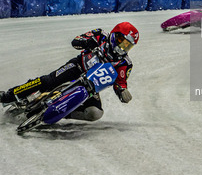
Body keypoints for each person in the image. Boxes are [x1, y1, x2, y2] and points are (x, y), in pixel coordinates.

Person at [0, 22, 139, 121]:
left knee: (94, 113)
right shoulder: (100, 34)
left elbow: (120, 82)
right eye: (121, 41)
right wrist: (86, 43)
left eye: (127, 45)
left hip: (91, 86)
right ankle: (9, 95)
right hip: (77, 67)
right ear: (114, 34)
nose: (122, 47)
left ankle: (61, 113)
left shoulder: (125, 63)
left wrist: (122, 91)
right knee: (48, 81)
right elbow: (76, 40)